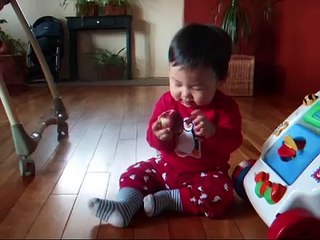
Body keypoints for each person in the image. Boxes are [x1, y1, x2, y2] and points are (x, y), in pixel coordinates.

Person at [88, 23, 243, 227]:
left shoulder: (225, 107)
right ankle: (124, 206)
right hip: (164, 168)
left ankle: (169, 200)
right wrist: (161, 137)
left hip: (204, 174)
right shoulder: (167, 102)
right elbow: (152, 138)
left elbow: (233, 141)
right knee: (134, 172)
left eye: (196, 87)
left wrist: (213, 132)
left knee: (221, 193)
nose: (185, 93)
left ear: (221, 80)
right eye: (177, 83)